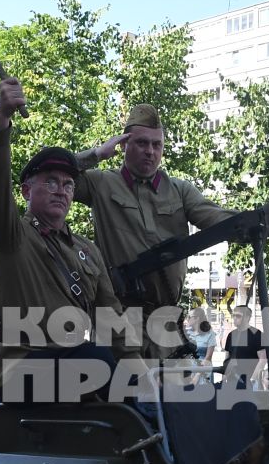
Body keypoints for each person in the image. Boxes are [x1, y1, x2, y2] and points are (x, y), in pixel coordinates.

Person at [0, 77, 123, 394]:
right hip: (21, 370)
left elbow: (111, 319)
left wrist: (142, 364)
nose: (61, 191)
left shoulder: (87, 249)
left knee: (146, 381)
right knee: (95, 361)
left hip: (72, 362)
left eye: (68, 184)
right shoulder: (12, 235)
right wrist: (1, 119)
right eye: (50, 182)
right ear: (27, 191)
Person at [70, 102, 233, 358]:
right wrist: (97, 154)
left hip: (165, 319)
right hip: (118, 315)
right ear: (124, 144)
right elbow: (53, 171)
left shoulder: (179, 190)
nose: (150, 151)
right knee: (122, 393)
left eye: (157, 145)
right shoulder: (100, 183)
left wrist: (257, 221)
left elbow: (214, 217)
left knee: (171, 394)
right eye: (142, 143)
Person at [220, 306, 264, 388]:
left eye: (238, 316)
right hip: (232, 378)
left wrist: (253, 380)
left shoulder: (257, 334)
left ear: (247, 317)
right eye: (234, 316)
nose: (235, 318)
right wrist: (224, 376)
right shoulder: (231, 334)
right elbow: (227, 357)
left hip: (249, 379)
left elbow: (263, 359)